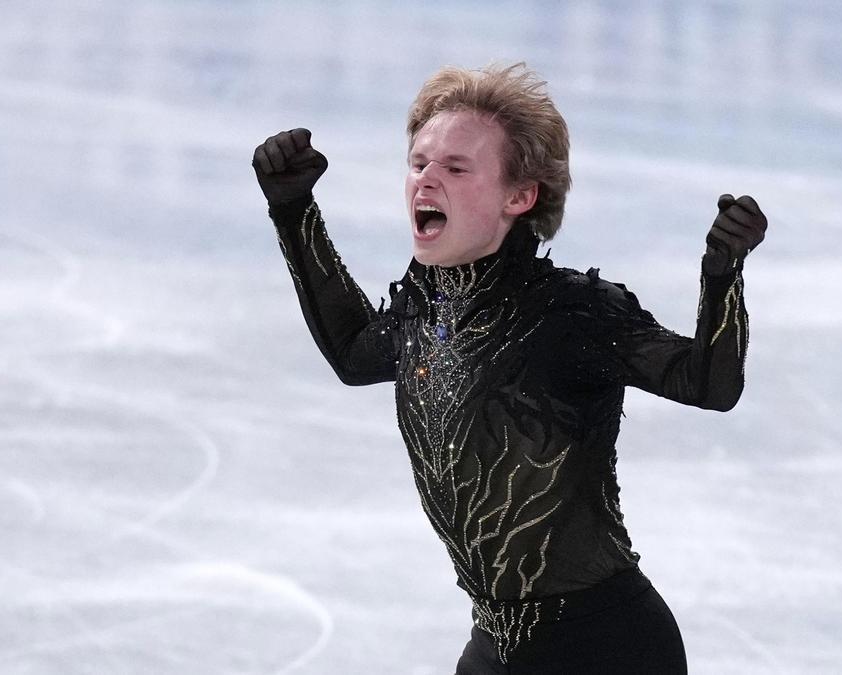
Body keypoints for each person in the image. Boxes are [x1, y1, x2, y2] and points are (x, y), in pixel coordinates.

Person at [253, 62, 766, 674]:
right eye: (419, 163)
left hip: (607, 648)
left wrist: (722, 277)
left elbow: (707, 383)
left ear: (519, 197)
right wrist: (294, 209)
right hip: (496, 649)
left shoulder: (572, 313)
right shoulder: (426, 314)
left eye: (456, 167)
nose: (426, 180)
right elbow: (353, 351)